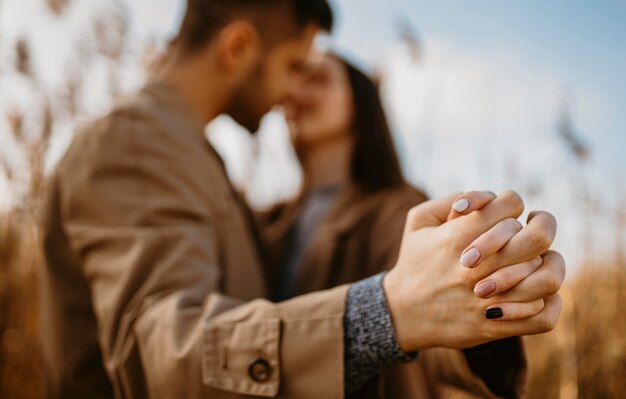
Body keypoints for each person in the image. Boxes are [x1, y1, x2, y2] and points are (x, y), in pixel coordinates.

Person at [39, 1, 565, 398]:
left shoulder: (204, 168)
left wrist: (482, 302)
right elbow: (165, 356)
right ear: (238, 48)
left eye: (313, 76)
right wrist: (388, 311)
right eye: (295, 65)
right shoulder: (144, 146)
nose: (292, 92)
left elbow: (428, 326)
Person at [257, 51, 535, 397]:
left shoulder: (399, 209)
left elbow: (429, 310)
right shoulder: (265, 221)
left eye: (318, 80)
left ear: (360, 103)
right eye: (293, 80)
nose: (296, 92)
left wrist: (477, 322)